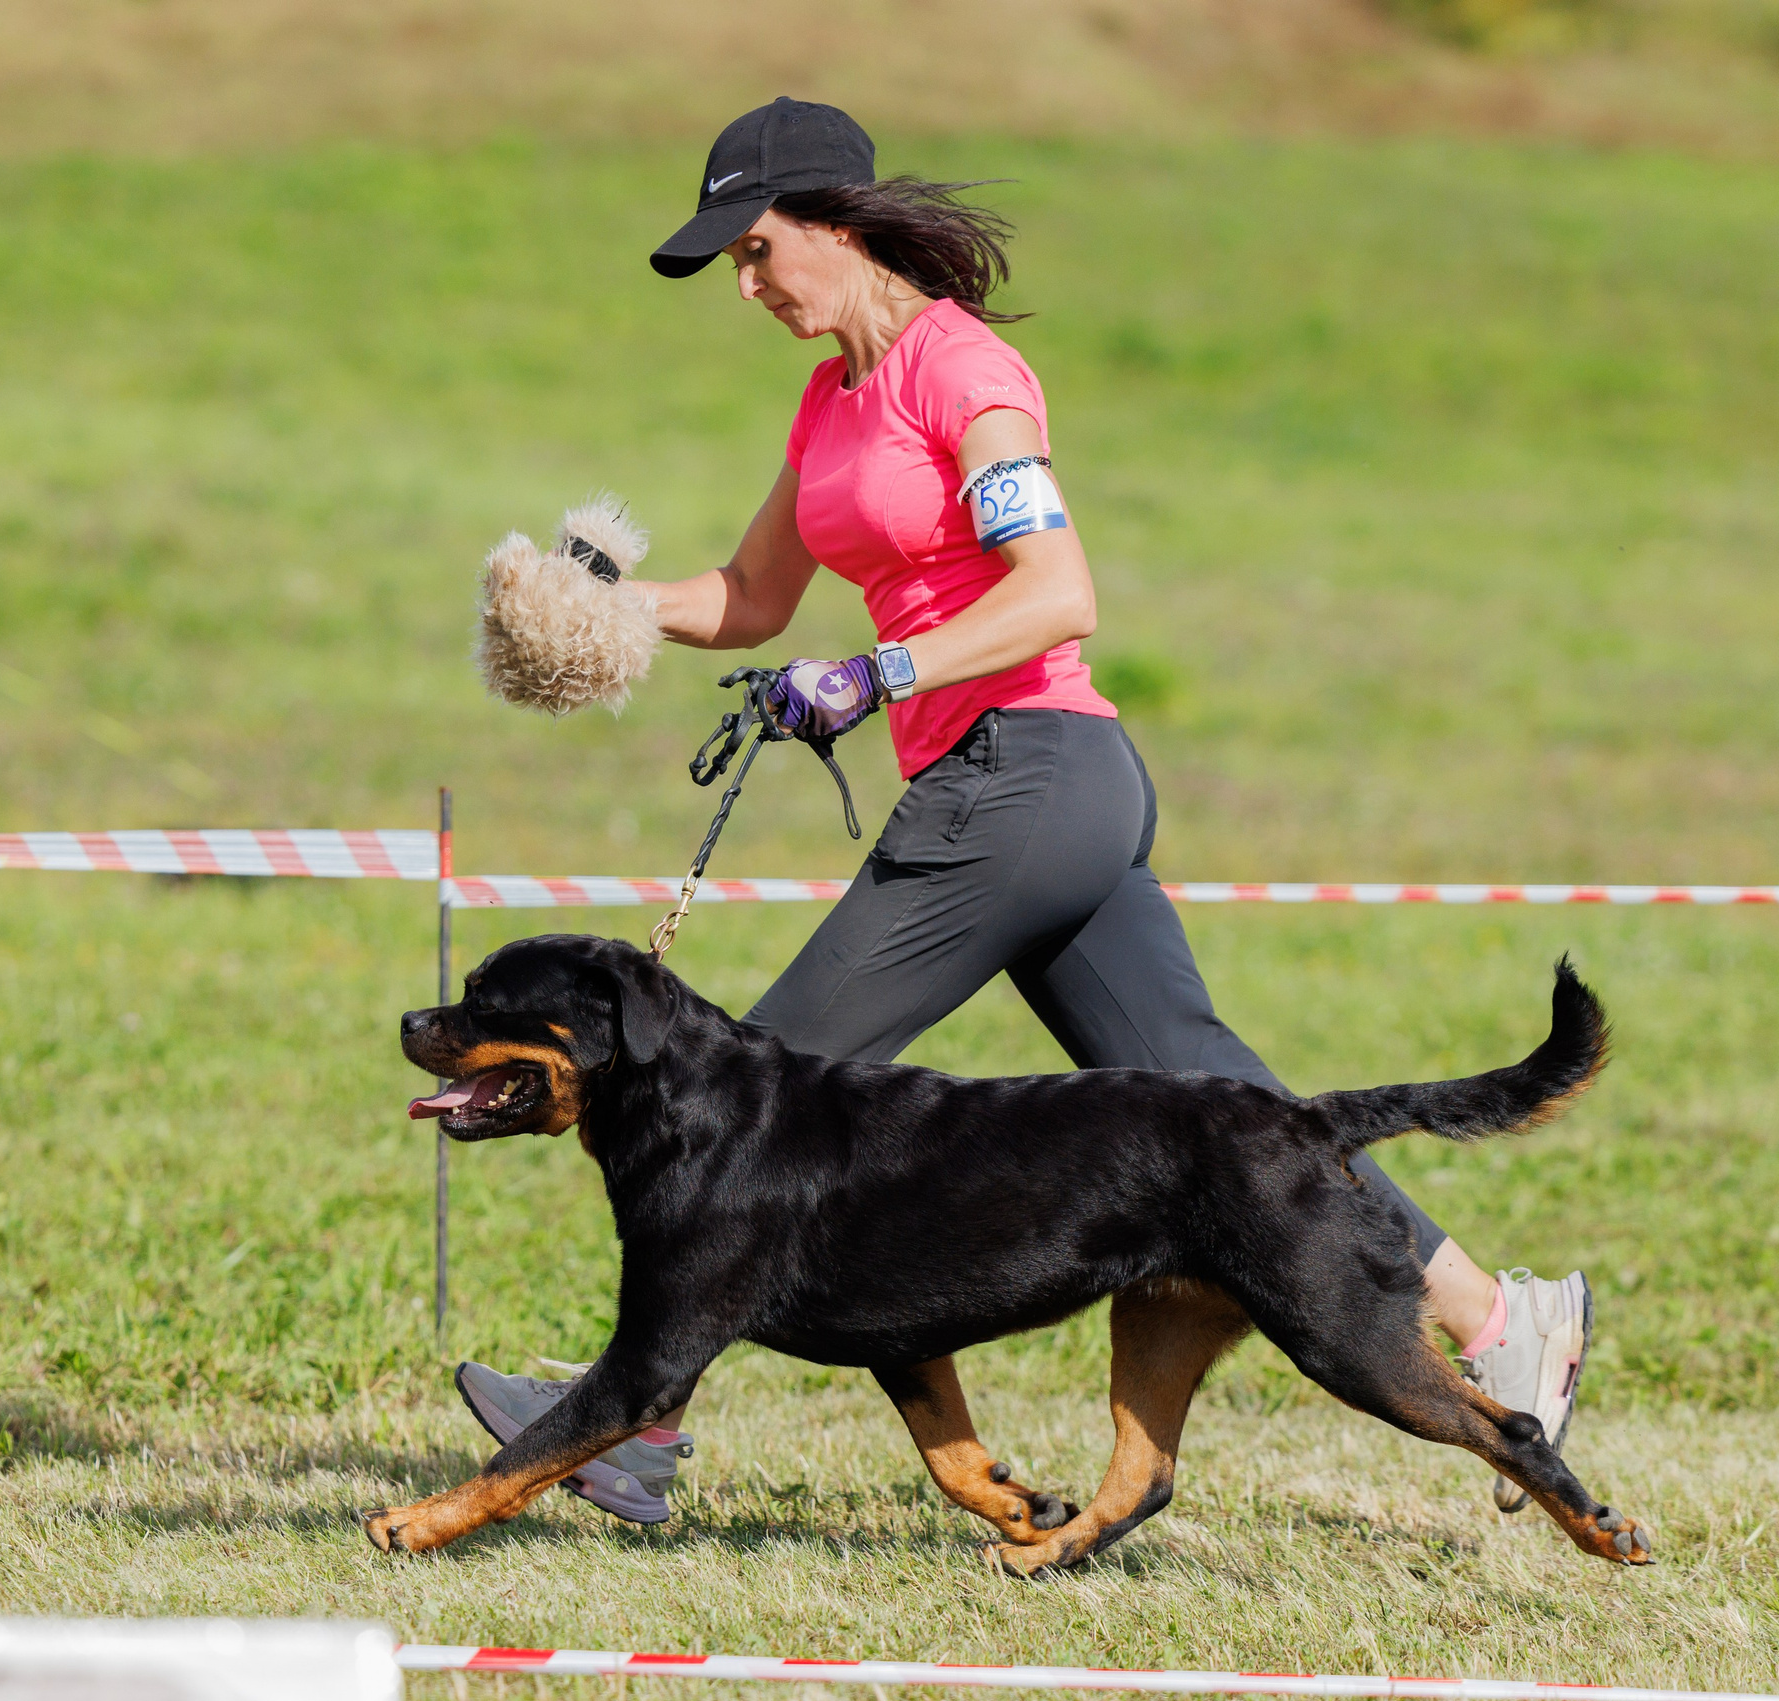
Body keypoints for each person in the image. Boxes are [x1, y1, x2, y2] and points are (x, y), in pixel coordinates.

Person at [457, 99, 1593, 1527]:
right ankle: (1504, 1325)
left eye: (757, 253)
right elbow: (750, 602)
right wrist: (603, 606)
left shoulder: (966, 372)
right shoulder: (830, 404)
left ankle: (635, 1428)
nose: (749, 288)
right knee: (1225, 1116)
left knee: (760, 1083)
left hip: (1029, 777)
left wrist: (876, 670)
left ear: (837, 220)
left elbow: (1060, 594)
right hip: (1035, 792)